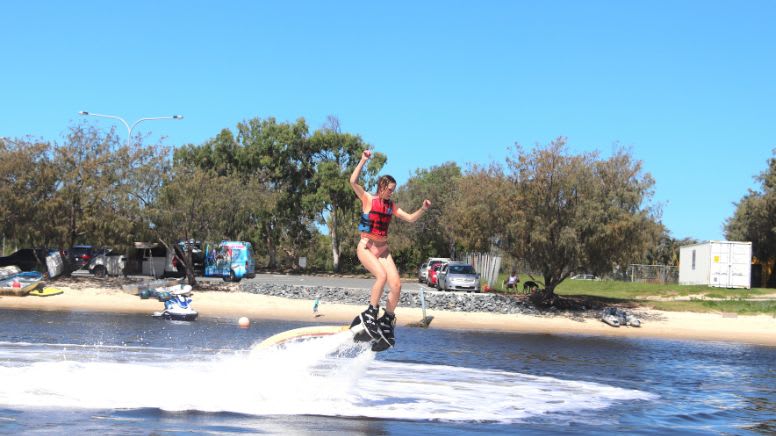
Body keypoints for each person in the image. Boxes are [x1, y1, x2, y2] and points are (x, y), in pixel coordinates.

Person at [349, 149, 431, 351]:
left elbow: (411, 218)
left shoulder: (391, 206)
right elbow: (353, 181)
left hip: (383, 249)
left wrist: (423, 209)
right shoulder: (368, 198)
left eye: (393, 190)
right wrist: (363, 160)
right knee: (381, 277)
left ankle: (387, 319)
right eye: (390, 189)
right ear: (382, 187)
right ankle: (371, 312)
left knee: (397, 285)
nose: (392, 192)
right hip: (366, 247)